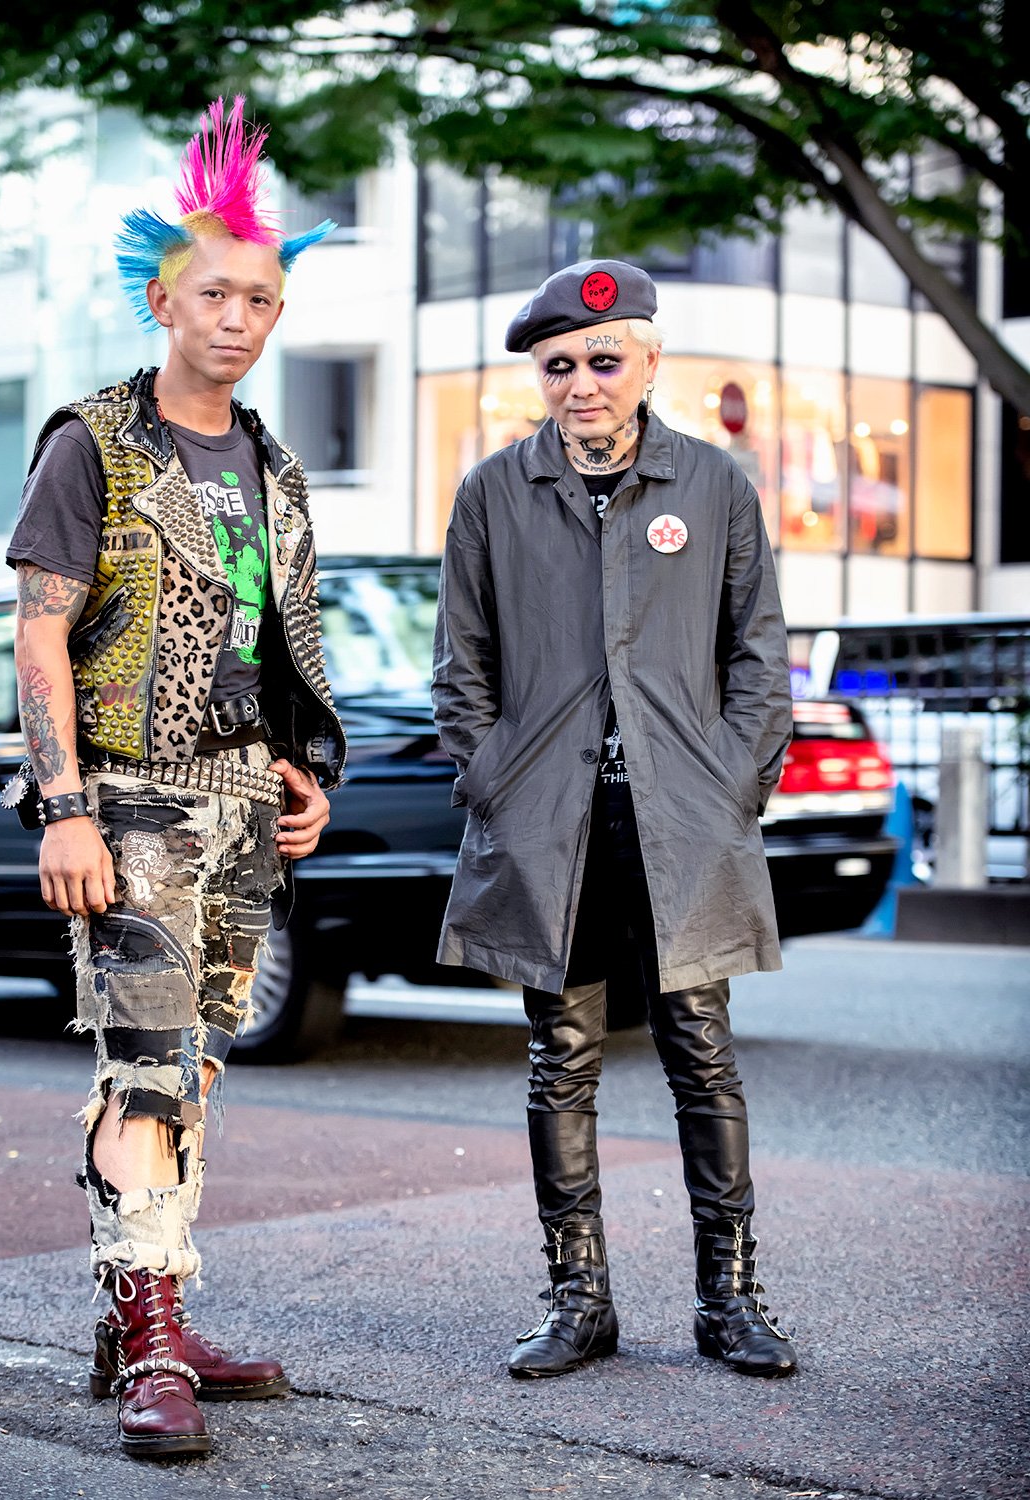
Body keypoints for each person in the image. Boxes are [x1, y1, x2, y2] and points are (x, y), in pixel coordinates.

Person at [6, 98, 347, 1458]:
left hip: (239, 808)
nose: (241, 316)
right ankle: (154, 1345)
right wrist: (65, 804)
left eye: (262, 296)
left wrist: (298, 767)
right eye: (215, 291)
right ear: (163, 296)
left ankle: (137, 1309)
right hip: (131, 801)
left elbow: (269, 640)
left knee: (189, 1067)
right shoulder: (95, 441)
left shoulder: (275, 467)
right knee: (146, 1070)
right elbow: (40, 624)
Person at [431, 260, 797, 1381]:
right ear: (538, 376)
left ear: (648, 360)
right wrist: (497, 781)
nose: (582, 383)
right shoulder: (495, 494)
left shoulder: (714, 486)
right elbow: (462, 671)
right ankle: (579, 1303)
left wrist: (731, 786)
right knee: (562, 1058)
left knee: (701, 1053)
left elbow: (760, 659)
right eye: (560, 367)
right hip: (551, 826)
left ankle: (728, 1301)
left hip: (683, 823)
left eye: (603, 360)